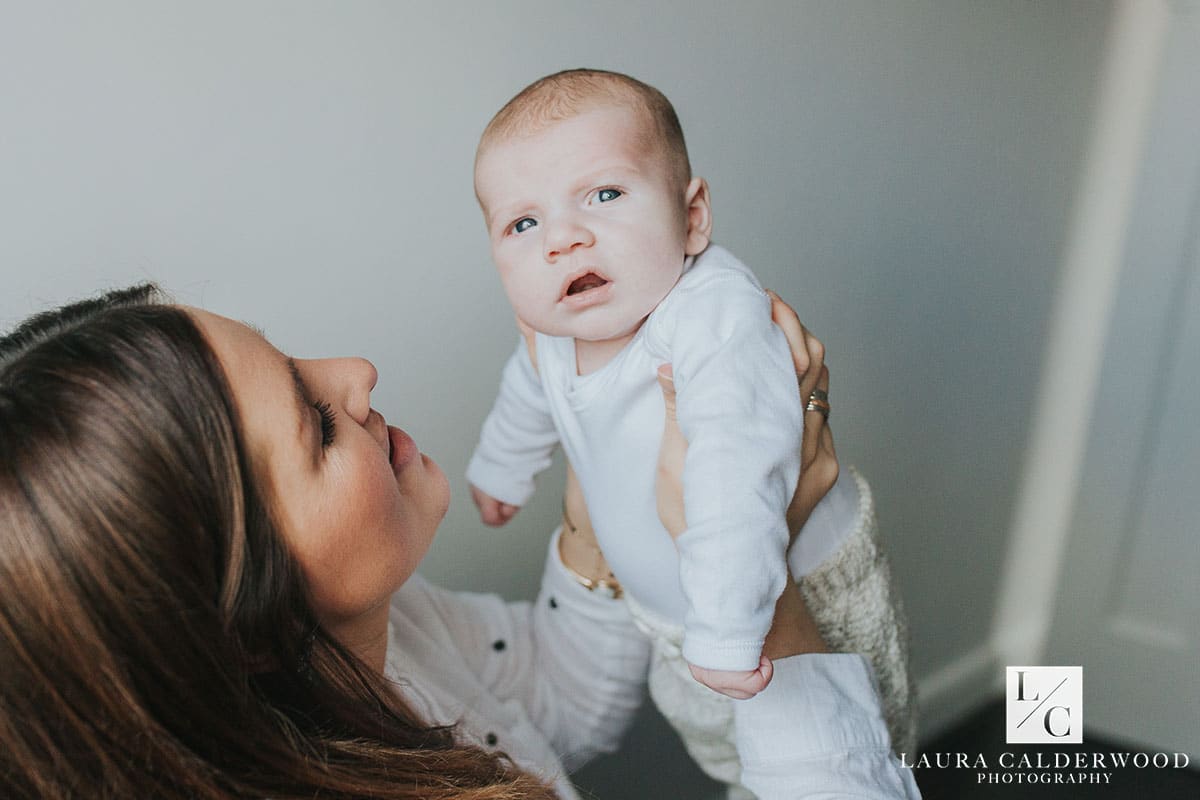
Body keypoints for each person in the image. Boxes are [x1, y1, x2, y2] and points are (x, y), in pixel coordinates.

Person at [0, 283, 919, 799]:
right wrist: (759, 576)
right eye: (317, 425)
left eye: (292, 356)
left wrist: (602, 508)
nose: (355, 373)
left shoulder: (372, 636)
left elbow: (552, 700)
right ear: (239, 626)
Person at [466, 69, 915, 791]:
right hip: (676, 624)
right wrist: (500, 469)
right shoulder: (554, 331)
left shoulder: (711, 317)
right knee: (738, 767)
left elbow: (737, 472)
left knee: (851, 744)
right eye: (524, 223)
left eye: (604, 195)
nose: (564, 239)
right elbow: (531, 395)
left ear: (693, 215)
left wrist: (734, 625)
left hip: (792, 596)